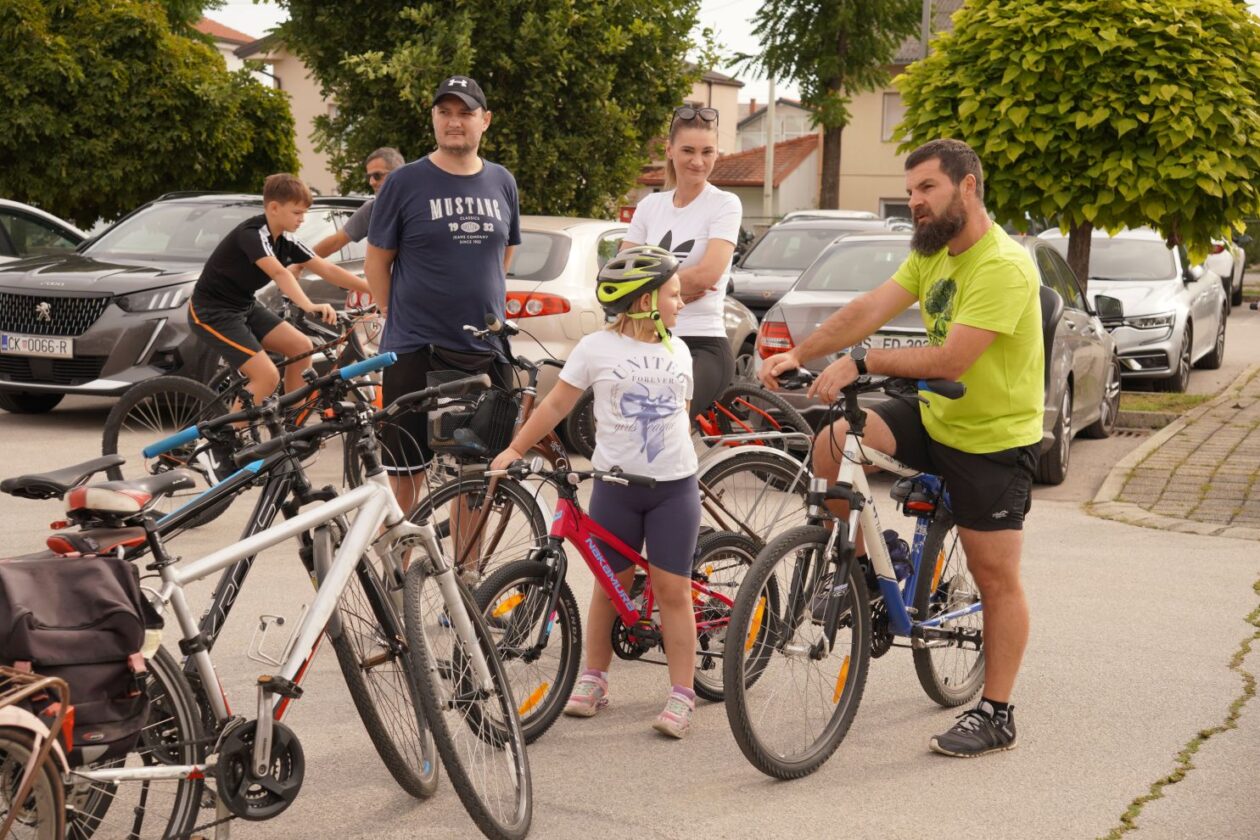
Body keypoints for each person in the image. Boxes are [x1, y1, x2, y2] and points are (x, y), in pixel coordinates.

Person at [759, 138, 1043, 758]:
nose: (914, 201)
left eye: (927, 189)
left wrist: (862, 362)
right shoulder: (933, 255)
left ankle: (996, 712)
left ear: (968, 187)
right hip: (935, 412)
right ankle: (860, 568)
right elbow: (868, 307)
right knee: (834, 439)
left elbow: (952, 355)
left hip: (992, 438)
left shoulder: (1003, 264)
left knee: (996, 577)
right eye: (910, 190)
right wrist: (800, 353)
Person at [489, 246, 701, 739]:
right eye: (673, 295)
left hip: (674, 489)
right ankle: (594, 678)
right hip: (616, 488)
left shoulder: (680, 349)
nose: (680, 304)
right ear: (644, 300)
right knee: (610, 587)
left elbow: (681, 417)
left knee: (673, 592)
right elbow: (555, 405)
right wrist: (515, 449)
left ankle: (682, 693)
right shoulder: (596, 348)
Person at [365, 75, 521, 508]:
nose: (455, 122)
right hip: (415, 348)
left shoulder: (503, 181)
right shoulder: (404, 182)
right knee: (405, 477)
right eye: (444, 112)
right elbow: (377, 262)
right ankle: (397, 573)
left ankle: (466, 575)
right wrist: (396, 316)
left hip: (483, 349)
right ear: (433, 118)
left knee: (476, 479)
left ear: (484, 121)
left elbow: (503, 255)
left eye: (465, 113)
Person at [188, 173, 371, 408]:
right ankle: (235, 439)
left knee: (302, 347)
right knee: (267, 377)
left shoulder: (286, 240)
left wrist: (374, 289)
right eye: (297, 213)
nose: (302, 219)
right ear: (274, 208)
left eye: (304, 213)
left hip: (244, 305)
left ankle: (293, 429)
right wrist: (308, 305)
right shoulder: (252, 234)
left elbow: (326, 268)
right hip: (211, 312)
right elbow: (280, 273)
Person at [623, 106, 741, 417]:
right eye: (688, 150)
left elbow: (708, 275)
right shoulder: (650, 205)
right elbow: (619, 275)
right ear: (670, 150)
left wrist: (646, 290)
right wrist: (675, 291)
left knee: (665, 422)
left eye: (707, 151)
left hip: (702, 344)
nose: (698, 161)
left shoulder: (725, 204)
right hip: (647, 341)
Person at [301, 147, 405, 310]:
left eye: (377, 175)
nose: (371, 182)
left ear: (398, 174)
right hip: (394, 302)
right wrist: (300, 261)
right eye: (369, 177)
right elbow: (335, 242)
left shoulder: (423, 204)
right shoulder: (373, 209)